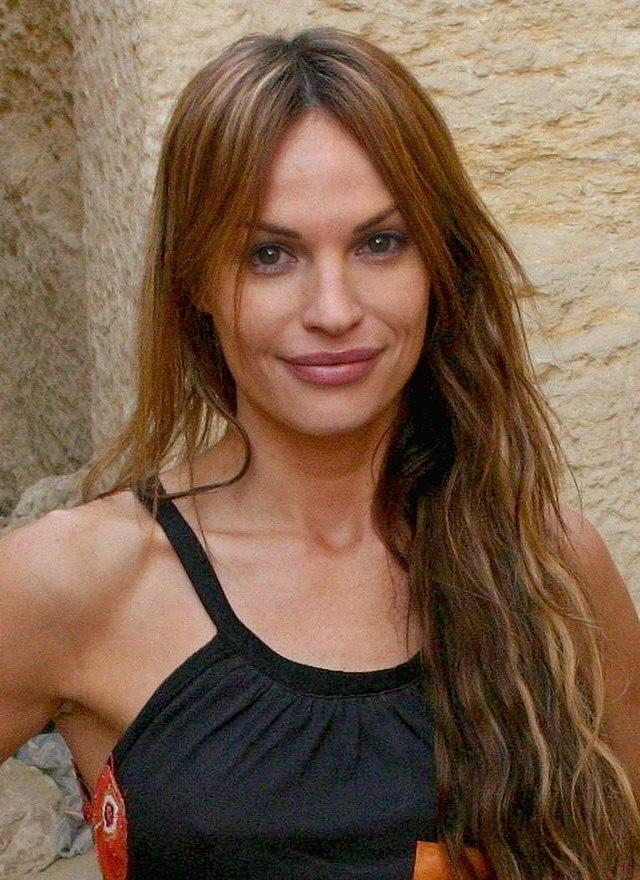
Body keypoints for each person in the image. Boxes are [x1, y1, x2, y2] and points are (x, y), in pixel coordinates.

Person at [1, 25, 639, 880]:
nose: (334, 309)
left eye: (380, 243)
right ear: (195, 281)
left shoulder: (551, 568)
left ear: (439, 266)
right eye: (270, 255)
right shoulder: (73, 581)